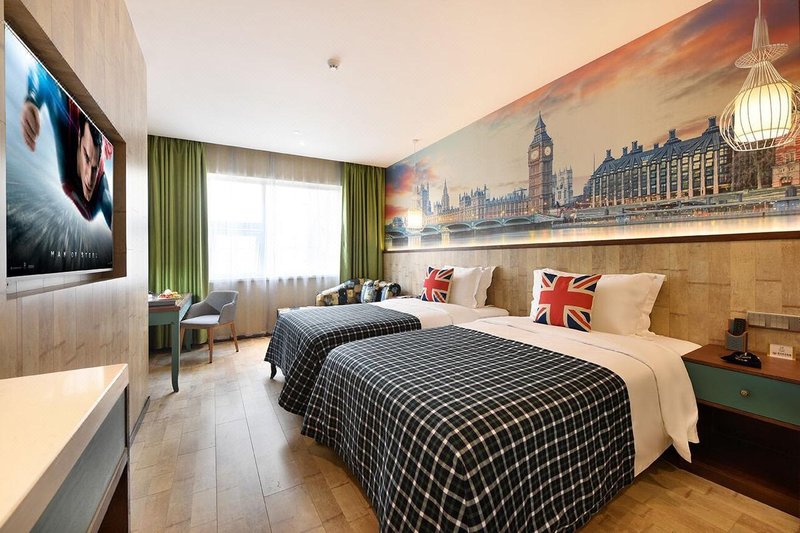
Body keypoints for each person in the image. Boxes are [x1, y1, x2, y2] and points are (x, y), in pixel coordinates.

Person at [20, 62, 112, 227]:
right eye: (86, 157)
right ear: (79, 140)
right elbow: (41, 71)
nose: (90, 179)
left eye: (94, 167)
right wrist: (32, 99)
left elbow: (109, 207)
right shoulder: (65, 114)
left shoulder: (99, 182)